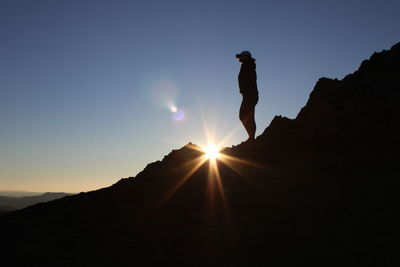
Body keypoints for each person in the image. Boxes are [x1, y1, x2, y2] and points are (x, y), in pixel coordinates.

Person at [236, 50, 259, 144]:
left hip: (250, 95)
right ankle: (251, 138)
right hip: (249, 95)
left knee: (243, 115)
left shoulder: (248, 65)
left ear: (246, 57)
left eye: (241, 56)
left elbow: (249, 80)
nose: (239, 58)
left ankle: (251, 138)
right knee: (248, 116)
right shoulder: (247, 65)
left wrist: (246, 90)